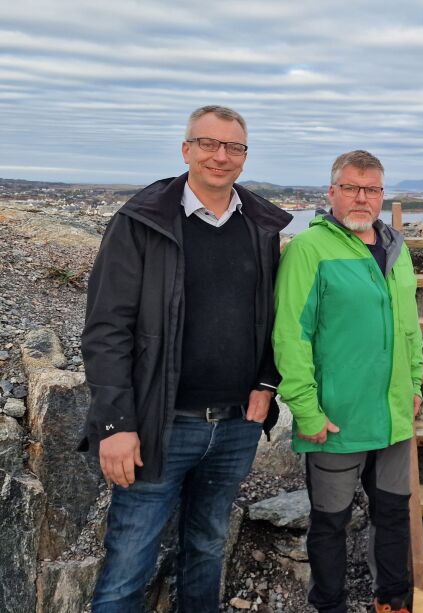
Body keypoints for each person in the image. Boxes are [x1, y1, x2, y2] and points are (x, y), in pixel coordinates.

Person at [80, 105, 292, 612]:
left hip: (235, 426)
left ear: (244, 156)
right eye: (208, 144)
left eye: (233, 147)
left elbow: (273, 317)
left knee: (206, 549)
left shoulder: (260, 227)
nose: (221, 156)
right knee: (128, 563)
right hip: (159, 424)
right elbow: (107, 328)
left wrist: (266, 383)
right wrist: (115, 425)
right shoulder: (142, 221)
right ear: (186, 150)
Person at [273, 150, 423, 613]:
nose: (362, 197)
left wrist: (414, 385)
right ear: (332, 192)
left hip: (394, 416)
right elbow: (290, 336)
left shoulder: (397, 250)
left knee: (394, 515)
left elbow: (410, 326)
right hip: (335, 420)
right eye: (352, 188)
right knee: (329, 523)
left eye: (372, 189)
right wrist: (307, 410)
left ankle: (392, 601)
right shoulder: (308, 250)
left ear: (382, 194)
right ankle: (330, 604)